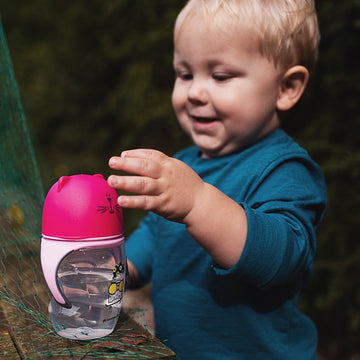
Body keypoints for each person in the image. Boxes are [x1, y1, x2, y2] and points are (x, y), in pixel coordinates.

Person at [107, 0, 327, 358]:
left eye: (221, 76)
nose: (195, 92)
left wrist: (197, 203)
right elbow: (155, 233)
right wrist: (118, 271)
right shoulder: (185, 163)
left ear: (287, 88)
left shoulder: (285, 170)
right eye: (184, 74)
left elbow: (279, 259)